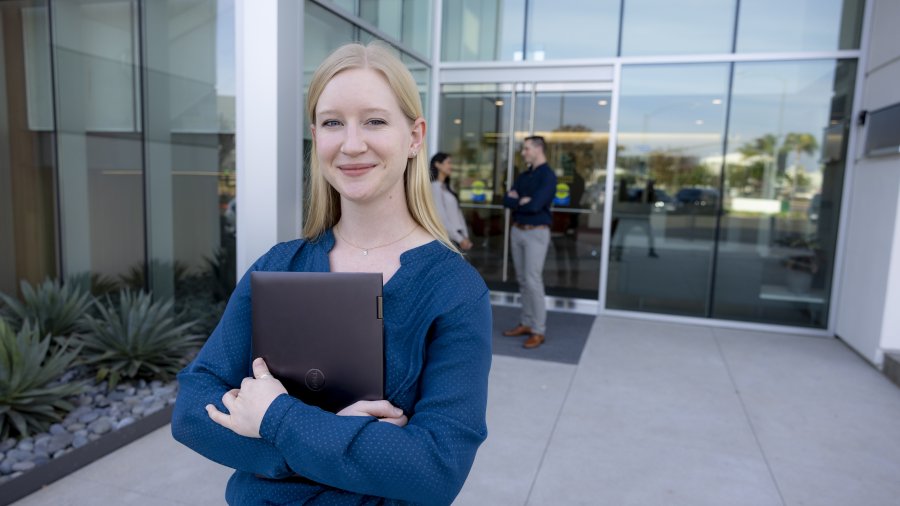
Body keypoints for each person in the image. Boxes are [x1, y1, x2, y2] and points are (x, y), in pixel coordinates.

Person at [171, 42, 492, 505]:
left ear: (415, 136)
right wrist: (325, 444)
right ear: (316, 135)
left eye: (375, 120)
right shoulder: (280, 266)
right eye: (332, 122)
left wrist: (275, 418)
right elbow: (191, 410)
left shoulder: (453, 291)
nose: (352, 143)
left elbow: (434, 470)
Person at [502, 136, 557, 349]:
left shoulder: (548, 176)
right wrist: (519, 201)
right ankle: (526, 322)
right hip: (518, 231)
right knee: (523, 281)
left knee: (533, 281)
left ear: (538, 149)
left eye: (526, 149)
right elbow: (506, 200)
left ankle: (538, 330)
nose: (523, 152)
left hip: (536, 233)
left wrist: (521, 201)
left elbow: (535, 206)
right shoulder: (524, 175)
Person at [430, 152, 473, 251]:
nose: (451, 166)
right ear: (438, 165)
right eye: (448, 163)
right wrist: (460, 239)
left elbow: (458, 213)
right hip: (448, 239)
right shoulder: (434, 187)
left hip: (457, 237)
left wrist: (464, 236)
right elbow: (441, 217)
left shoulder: (447, 187)